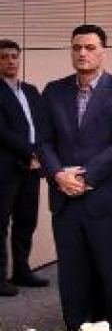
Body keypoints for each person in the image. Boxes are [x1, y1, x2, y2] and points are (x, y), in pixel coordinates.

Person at [37, 24, 112, 330]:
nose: (82, 53)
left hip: (106, 200)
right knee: (72, 276)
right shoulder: (53, 91)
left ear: (103, 52)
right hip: (65, 201)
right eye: (77, 47)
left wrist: (83, 177)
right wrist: (58, 175)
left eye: (90, 47)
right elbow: (43, 141)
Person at [0, 40, 46, 292]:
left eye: (14, 56)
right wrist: (33, 151)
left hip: (31, 168)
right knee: (1, 225)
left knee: (26, 221)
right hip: (5, 168)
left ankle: (22, 271)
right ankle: (0, 278)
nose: (10, 61)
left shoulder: (30, 90)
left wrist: (41, 152)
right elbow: (3, 132)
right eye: (4, 57)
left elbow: (40, 124)